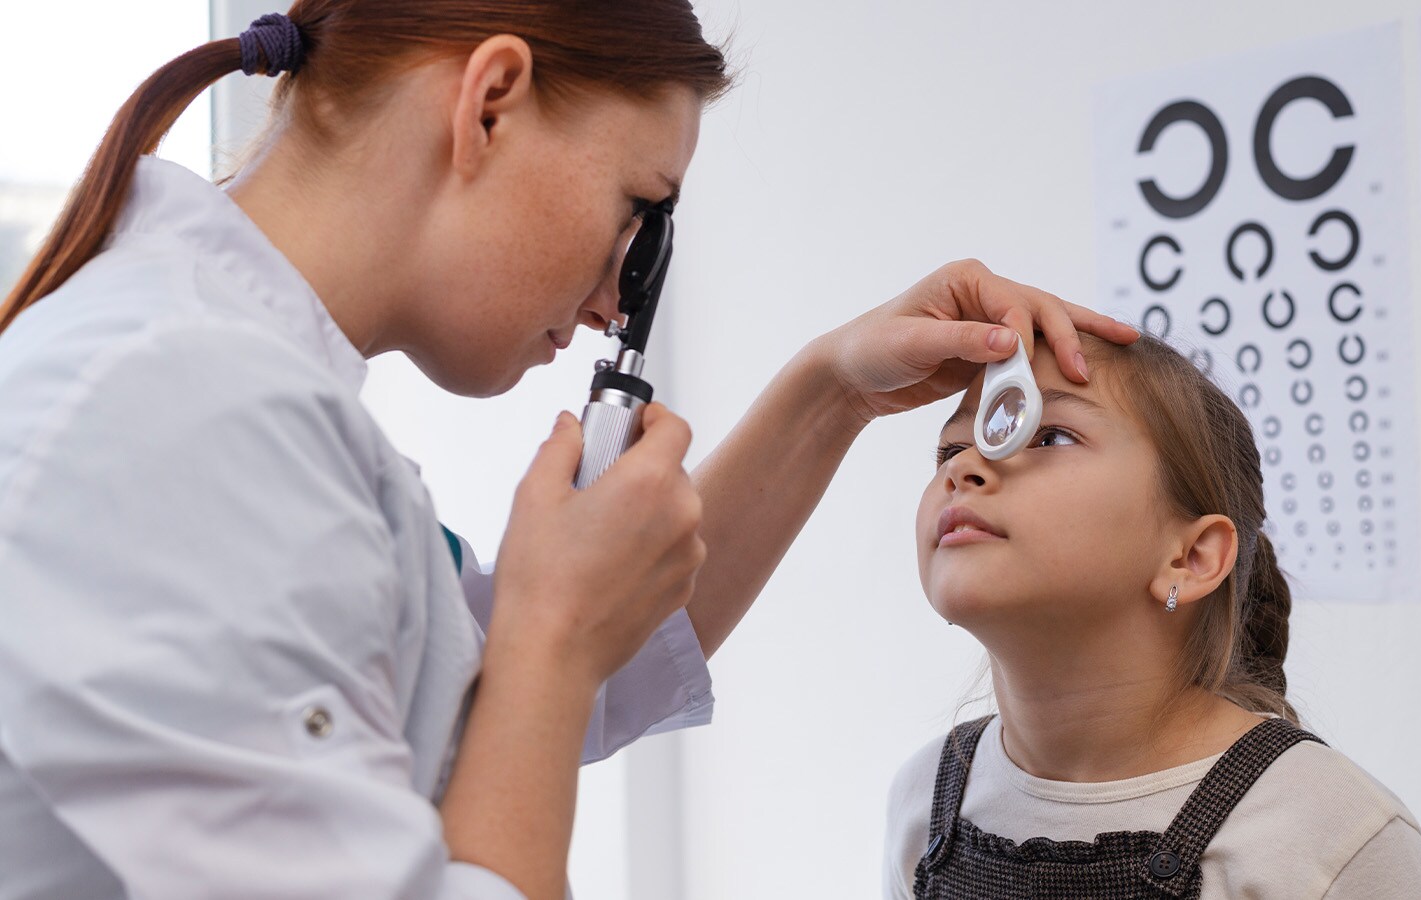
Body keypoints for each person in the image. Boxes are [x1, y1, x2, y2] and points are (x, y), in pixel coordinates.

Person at [0, 3, 1137, 899]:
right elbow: (535, 675)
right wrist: (551, 632)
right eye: (637, 209)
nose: (616, 300)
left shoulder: (249, 406)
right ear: (489, 103)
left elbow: (516, 708)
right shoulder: (179, 410)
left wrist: (829, 391)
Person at [884, 336, 1421, 899]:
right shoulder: (923, 800)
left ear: (1191, 558)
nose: (967, 467)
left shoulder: (1334, 839)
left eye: (1050, 435)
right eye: (951, 449)